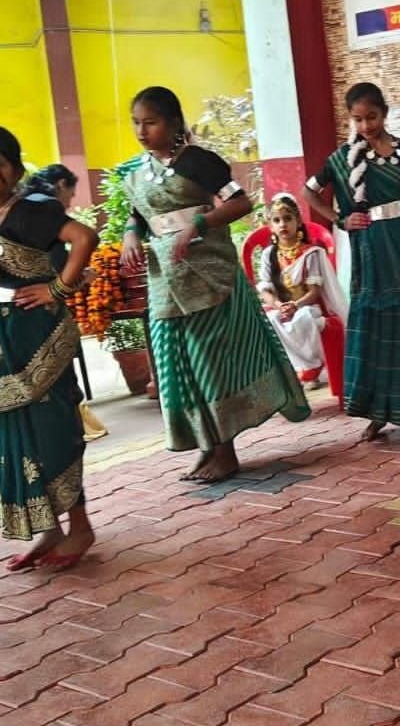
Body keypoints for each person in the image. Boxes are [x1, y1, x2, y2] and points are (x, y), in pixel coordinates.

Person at [121, 86, 309, 482]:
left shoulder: (198, 162)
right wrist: (131, 236)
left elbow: (240, 202)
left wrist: (198, 225)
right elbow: (137, 214)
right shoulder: (140, 170)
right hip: (165, 278)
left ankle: (226, 452)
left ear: (174, 123)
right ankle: (206, 447)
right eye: (136, 123)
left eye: (150, 122)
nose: (141, 131)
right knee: (179, 365)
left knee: (209, 362)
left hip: (207, 275)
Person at [0, 126, 97, 570]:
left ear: (15, 170)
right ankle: (48, 529)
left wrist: (57, 288)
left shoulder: (32, 210)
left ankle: (81, 528)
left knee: (49, 431)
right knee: (3, 434)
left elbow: (84, 237)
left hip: (35, 339)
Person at [305, 82, 400, 442]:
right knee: (376, 331)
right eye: (358, 119)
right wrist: (340, 219)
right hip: (370, 253)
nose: (366, 126)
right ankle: (377, 415)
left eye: (371, 117)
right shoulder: (343, 158)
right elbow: (308, 192)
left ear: (384, 113)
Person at [27, 163, 108, 441]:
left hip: (15, 301)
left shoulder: (19, 203)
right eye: (71, 195)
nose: (69, 203)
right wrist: (78, 279)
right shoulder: (47, 207)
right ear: (61, 184)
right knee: (57, 366)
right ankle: (68, 426)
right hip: (41, 302)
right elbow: (74, 249)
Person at [256, 192, 348, 390]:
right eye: (276, 220)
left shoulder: (310, 253)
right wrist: (279, 306)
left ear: (298, 221)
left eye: (287, 218)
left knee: (303, 318)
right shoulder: (269, 255)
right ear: (270, 225)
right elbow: (265, 290)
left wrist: (295, 305)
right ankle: (292, 370)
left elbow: (314, 292)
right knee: (271, 320)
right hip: (281, 308)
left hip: (306, 306)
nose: (283, 224)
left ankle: (311, 368)